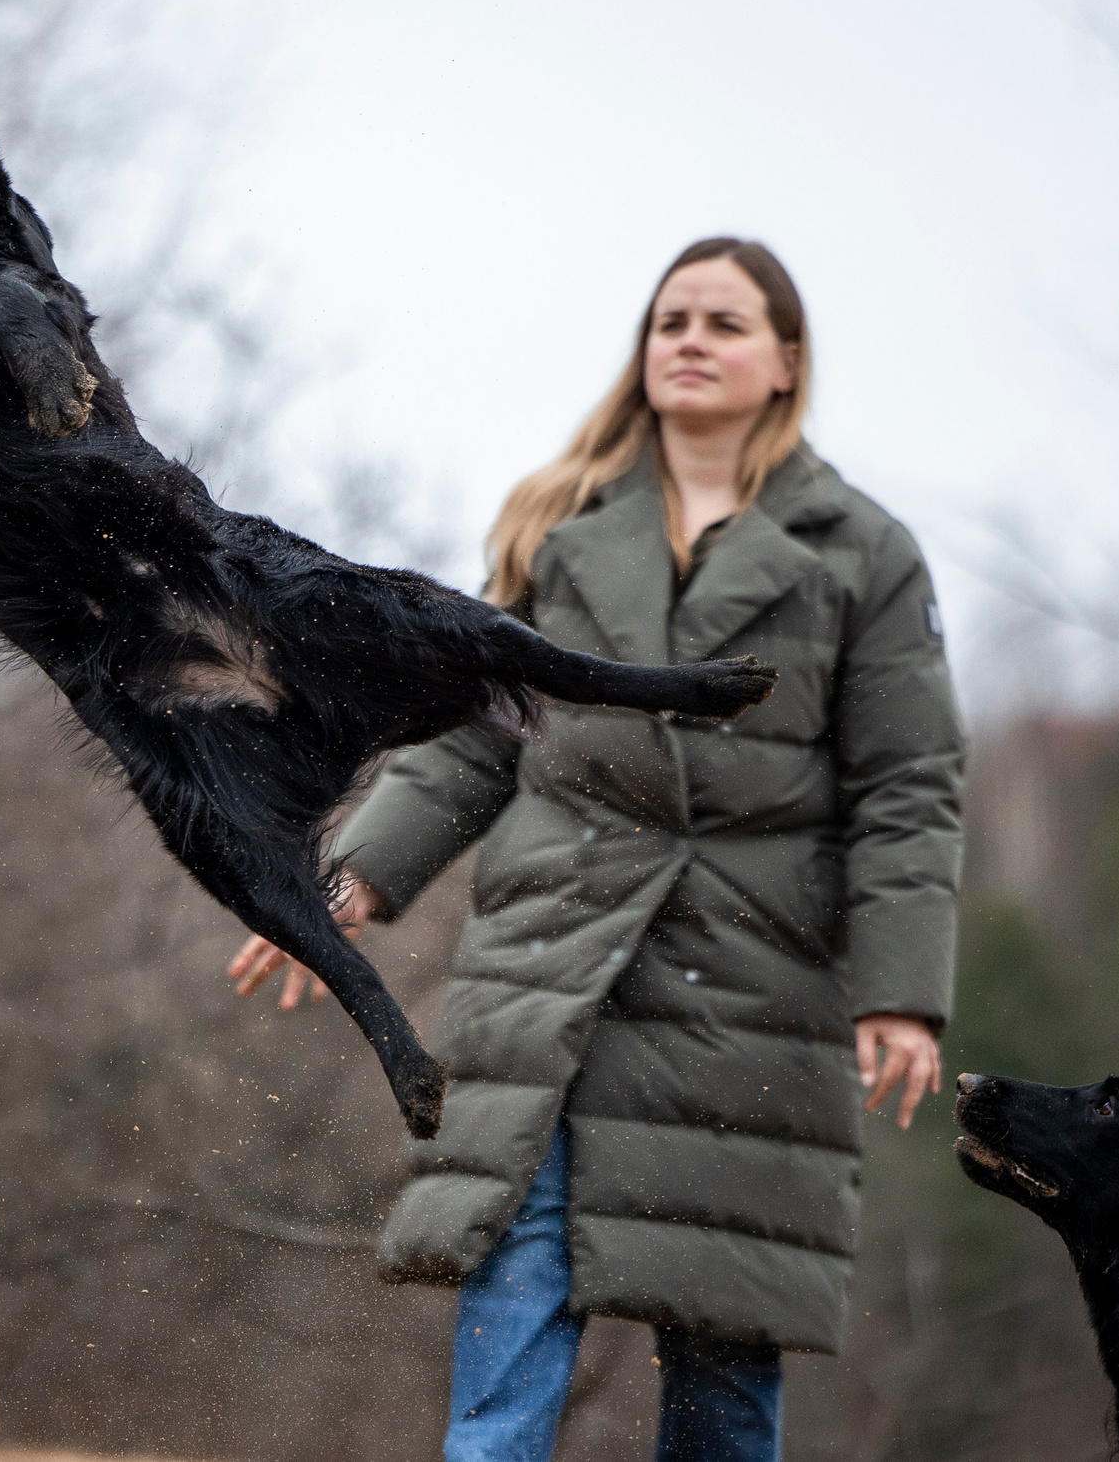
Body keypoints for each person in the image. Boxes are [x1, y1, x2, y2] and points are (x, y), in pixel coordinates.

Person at [227, 237, 963, 1462]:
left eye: (723, 323)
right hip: (554, 966)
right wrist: (349, 876)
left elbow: (907, 784)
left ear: (785, 361)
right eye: (670, 319)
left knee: (722, 1350)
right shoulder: (560, 524)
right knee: (514, 1276)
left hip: (747, 989)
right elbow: (470, 732)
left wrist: (901, 993)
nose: (687, 339)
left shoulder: (862, 555)